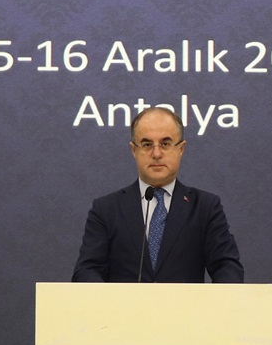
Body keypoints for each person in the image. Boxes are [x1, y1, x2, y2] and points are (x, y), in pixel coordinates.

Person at [72, 107, 244, 283]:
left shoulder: (205, 207)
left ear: (181, 149)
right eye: (147, 145)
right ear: (133, 150)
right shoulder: (106, 209)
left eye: (165, 144)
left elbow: (227, 266)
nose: (156, 154)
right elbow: (87, 270)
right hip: (124, 302)